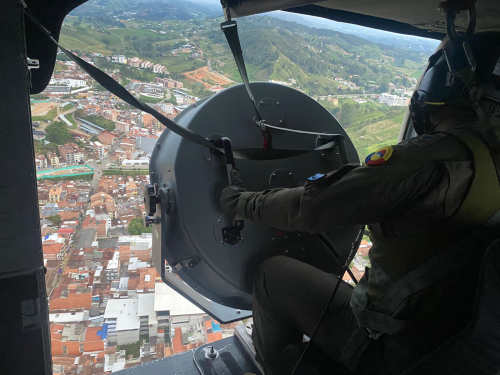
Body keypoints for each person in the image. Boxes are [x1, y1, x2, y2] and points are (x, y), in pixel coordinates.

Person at [221, 32, 500, 375]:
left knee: (272, 276)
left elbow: (308, 209)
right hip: (465, 351)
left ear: (443, 87)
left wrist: (241, 202)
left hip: (397, 350)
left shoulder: (433, 160)